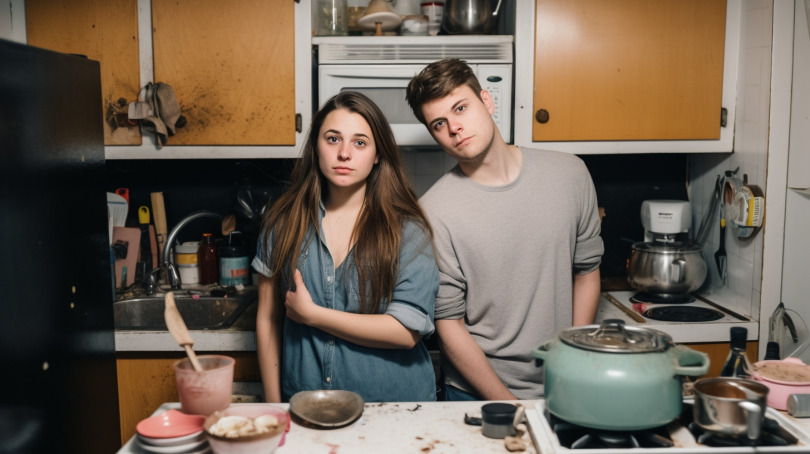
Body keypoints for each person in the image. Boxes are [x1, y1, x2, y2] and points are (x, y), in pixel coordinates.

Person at [406, 59, 604, 401]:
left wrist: (572, 360)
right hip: (477, 391)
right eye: (439, 123)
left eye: (461, 108)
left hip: (565, 381)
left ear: (487, 101)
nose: (454, 127)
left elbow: (586, 272)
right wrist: (510, 405)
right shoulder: (432, 212)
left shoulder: (570, 174)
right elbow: (449, 324)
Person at [253, 91, 439, 403]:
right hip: (307, 405)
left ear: (377, 154)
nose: (344, 153)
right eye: (333, 139)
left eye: (360, 142)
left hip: (395, 408)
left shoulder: (407, 230)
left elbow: (406, 332)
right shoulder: (283, 222)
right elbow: (268, 319)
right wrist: (275, 408)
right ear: (316, 147)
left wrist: (313, 315)